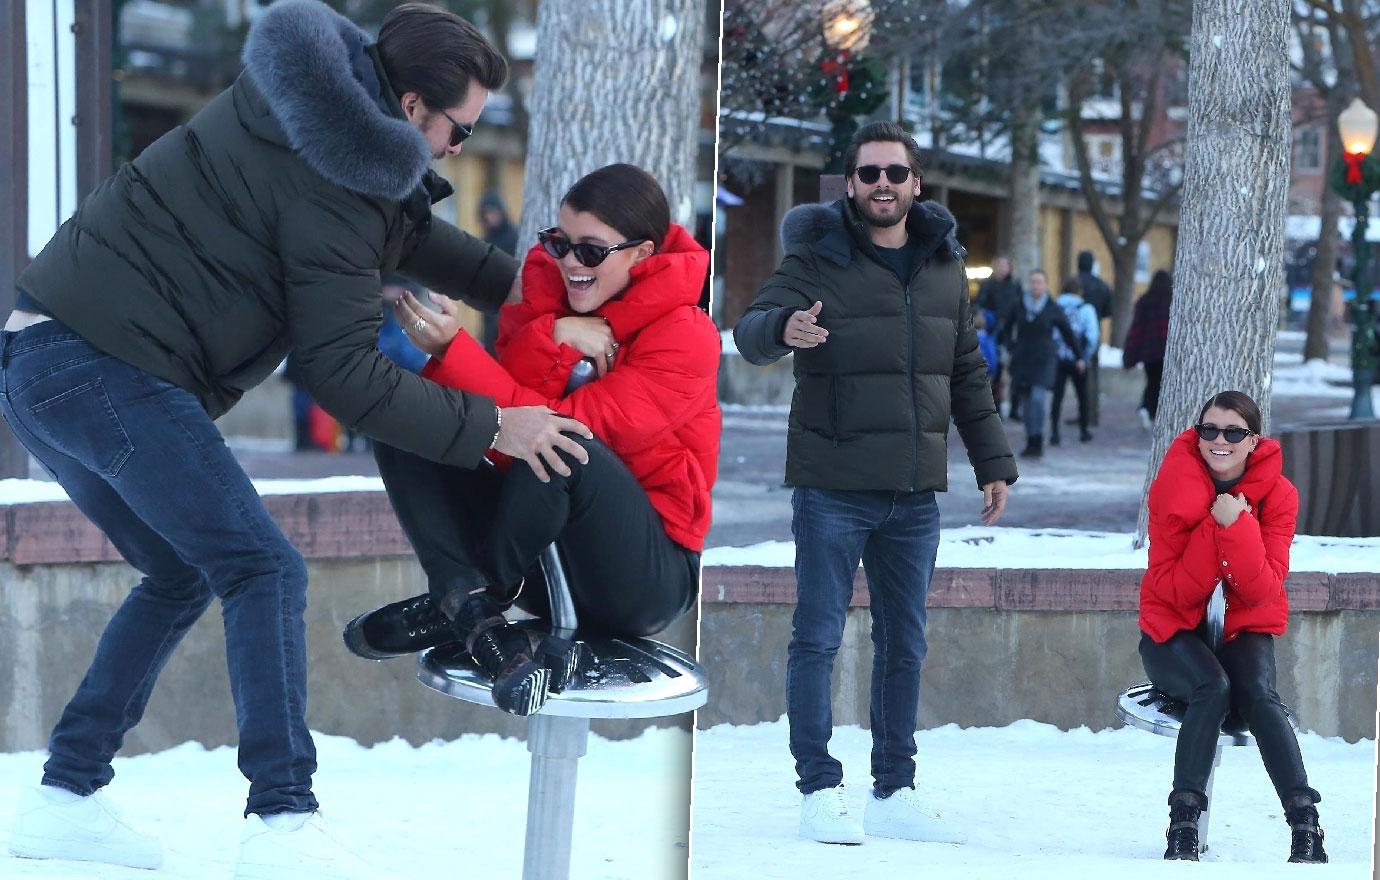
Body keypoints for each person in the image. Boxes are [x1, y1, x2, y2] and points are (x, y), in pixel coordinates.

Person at [0, 4, 584, 878]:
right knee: (262, 568)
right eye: (458, 128)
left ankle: (66, 795)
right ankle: (282, 821)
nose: (460, 148)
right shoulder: (339, 177)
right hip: (103, 363)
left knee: (182, 570)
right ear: (414, 104)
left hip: (41, 357)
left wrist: (556, 297)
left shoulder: (309, 113)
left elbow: (413, 235)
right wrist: (498, 422)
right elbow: (346, 374)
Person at [343, 164, 718, 717]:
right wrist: (556, 335)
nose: (569, 262)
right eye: (559, 243)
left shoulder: (685, 336)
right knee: (411, 421)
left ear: (640, 254)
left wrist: (458, 354)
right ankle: (467, 606)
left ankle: (470, 603)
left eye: (591, 251)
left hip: (640, 577)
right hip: (538, 559)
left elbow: (557, 427)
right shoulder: (545, 301)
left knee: (567, 448)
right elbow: (505, 430)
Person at [733, 122, 1017, 846]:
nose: (883, 185)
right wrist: (783, 330)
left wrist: (993, 461)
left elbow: (965, 374)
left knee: (905, 643)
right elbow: (751, 326)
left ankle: (895, 789)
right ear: (851, 186)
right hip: (832, 485)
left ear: (917, 184)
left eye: (895, 173)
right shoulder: (817, 254)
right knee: (818, 637)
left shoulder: (945, 267)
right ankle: (818, 788)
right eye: (869, 175)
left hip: (913, 494)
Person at [1139, 391, 1327, 864]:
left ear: (1252, 440)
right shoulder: (1174, 486)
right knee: (1213, 687)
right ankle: (1183, 827)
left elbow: (1263, 589)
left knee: (1260, 697)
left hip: (1243, 628)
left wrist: (1237, 524)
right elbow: (1177, 592)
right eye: (1209, 430)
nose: (1218, 441)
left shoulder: (1279, 496)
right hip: (1172, 631)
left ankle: (1306, 826)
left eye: (1233, 432)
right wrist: (1216, 525)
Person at [1000, 269, 1084, 458]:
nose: (1036, 286)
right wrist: (1011, 346)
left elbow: (1068, 333)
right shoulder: (1019, 304)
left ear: (1046, 285)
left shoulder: (1053, 308)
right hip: (1022, 360)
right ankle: (1030, 440)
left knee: (1038, 398)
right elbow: (1005, 328)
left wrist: (1079, 356)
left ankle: (1038, 440)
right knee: (1026, 403)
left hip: (1044, 359)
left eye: (1039, 282)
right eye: (1033, 282)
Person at [1049, 277, 1098, 445]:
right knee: (1082, 395)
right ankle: (1084, 431)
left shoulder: (1055, 307)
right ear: (1080, 291)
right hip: (1079, 359)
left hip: (1059, 358)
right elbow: (1092, 336)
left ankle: (1054, 432)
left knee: (1057, 396)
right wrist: (1085, 356)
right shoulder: (1086, 309)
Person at [1123, 269, 1173, 429]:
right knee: (1162, 384)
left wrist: (1130, 354)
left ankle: (1146, 408)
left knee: (1152, 381)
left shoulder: (1144, 301)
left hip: (1149, 352)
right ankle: (1152, 411)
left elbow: (1136, 328)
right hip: (1166, 351)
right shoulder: (1173, 300)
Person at [974, 255, 1022, 413]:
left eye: (1004, 265)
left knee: (1015, 372)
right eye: (999, 265)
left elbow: (1020, 310)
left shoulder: (1015, 286)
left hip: (1011, 334)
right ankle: (996, 407)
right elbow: (979, 305)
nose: (1002, 268)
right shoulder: (988, 285)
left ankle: (1015, 408)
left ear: (1009, 268)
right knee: (995, 371)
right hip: (993, 335)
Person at [478, 193, 520, 352]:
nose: (490, 217)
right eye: (486, 213)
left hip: (510, 298)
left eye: (493, 212)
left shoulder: (513, 237)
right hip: (490, 301)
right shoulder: (485, 241)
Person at [1076, 250, 1112, 426]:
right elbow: (1108, 310)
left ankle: (1081, 413)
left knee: (1075, 376)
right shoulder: (1101, 285)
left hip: (1074, 334)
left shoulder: (1074, 283)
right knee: (1092, 375)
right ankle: (1092, 413)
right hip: (1093, 333)